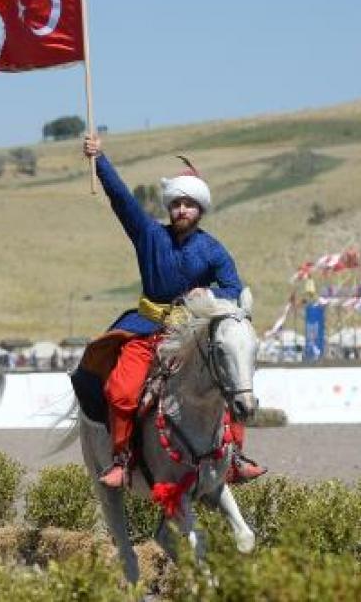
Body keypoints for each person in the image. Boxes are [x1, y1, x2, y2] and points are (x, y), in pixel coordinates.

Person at [81, 133, 266, 488]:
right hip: (146, 328)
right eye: (177, 203)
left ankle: (235, 458)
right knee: (121, 389)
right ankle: (121, 460)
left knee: (231, 384)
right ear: (169, 207)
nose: (182, 209)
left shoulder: (213, 250)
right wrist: (100, 160)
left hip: (191, 337)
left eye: (189, 204)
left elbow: (234, 290)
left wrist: (205, 297)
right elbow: (122, 200)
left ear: (200, 209)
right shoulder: (149, 235)